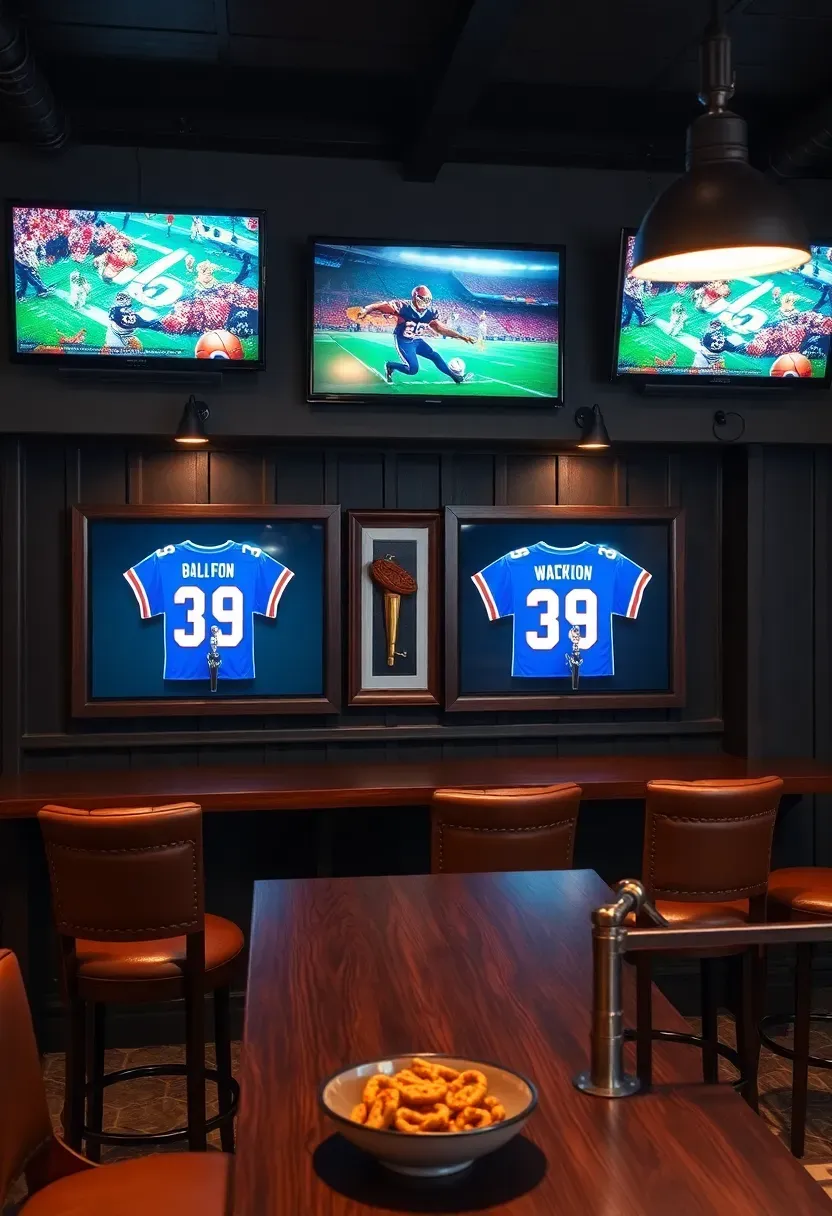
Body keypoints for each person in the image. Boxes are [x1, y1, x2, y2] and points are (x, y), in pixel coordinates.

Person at [355, 285, 476, 384]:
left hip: (417, 340)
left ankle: (457, 378)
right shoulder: (402, 307)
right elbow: (378, 306)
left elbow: (440, 329)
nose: (425, 303)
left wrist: (461, 336)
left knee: (435, 356)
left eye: (427, 300)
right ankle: (390, 365)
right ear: (415, 297)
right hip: (404, 340)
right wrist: (366, 309)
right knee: (413, 369)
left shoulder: (431, 312)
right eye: (422, 299)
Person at [14, 233, 49, 299]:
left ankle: (40, 289)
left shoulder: (24, 240)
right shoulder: (20, 243)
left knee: (26, 277)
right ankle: (40, 289)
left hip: (23, 261)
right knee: (25, 278)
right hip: (21, 261)